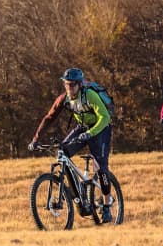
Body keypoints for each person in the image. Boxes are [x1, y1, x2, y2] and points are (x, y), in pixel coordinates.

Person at [28, 67, 115, 223]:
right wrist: (36, 139)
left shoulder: (90, 95)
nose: (69, 88)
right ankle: (78, 190)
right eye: (66, 84)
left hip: (101, 128)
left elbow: (105, 117)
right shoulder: (64, 98)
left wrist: (91, 133)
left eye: (72, 85)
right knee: (63, 152)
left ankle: (107, 204)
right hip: (82, 127)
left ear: (80, 84)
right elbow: (49, 118)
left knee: (101, 167)